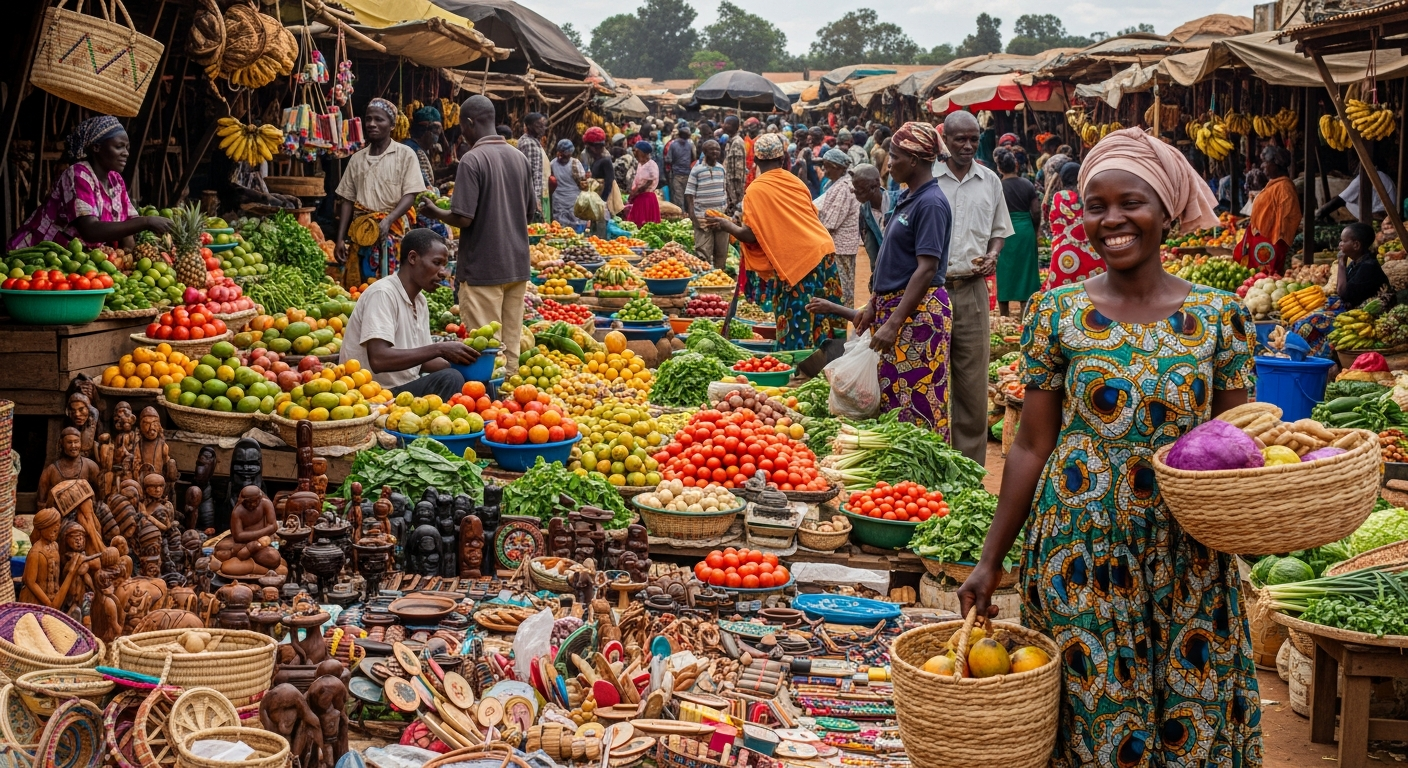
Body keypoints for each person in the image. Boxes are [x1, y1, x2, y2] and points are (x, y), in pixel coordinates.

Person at [958, 127, 1261, 768]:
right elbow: (1030, 447)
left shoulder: (1219, 316)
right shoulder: (1056, 312)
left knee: (1192, 713)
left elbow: (1244, 449)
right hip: (1080, 551)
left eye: (1132, 203)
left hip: (1188, 558)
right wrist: (991, 560)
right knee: (1096, 723)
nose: (1113, 220)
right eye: (1097, 206)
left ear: (1167, 213)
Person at [419, 94, 535, 379]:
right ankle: (512, 398)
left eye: (462, 127)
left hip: (483, 268)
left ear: (470, 123)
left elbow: (463, 217)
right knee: (511, 348)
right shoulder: (519, 157)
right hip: (517, 265)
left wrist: (436, 213)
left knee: (485, 349)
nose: (462, 133)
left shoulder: (472, 159)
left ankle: (487, 402)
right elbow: (530, 212)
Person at [702, 134, 845, 350]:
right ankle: (828, 360)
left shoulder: (756, 190)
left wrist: (725, 224)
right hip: (823, 249)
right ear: (782, 159)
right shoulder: (794, 181)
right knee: (824, 312)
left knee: (797, 317)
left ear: (757, 161)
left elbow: (751, 235)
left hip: (797, 260)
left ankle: (798, 364)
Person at [856, 123, 952, 432]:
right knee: (895, 399)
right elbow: (893, 260)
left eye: (894, 157)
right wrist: (874, 303)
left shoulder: (931, 203)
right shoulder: (908, 197)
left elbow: (926, 268)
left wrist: (894, 321)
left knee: (919, 402)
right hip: (898, 311)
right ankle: (900, 478)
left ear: (914, 160)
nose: (888, 164)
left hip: (918, 317)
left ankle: (924, 478)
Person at [935, 110, 1012, 466]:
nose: (967, 145)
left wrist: (993, 254)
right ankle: (933, 463)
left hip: (973, 290)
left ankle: (968, 469)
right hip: (930, 291)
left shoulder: (990, 181)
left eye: (973, 139)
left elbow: (999, 230)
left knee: (972, 384)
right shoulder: (930, 179)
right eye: (959, 139)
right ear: (946, 140)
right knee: (930, 380)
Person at [339, 229, 478, 399]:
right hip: (373, 394)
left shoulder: (420, 301)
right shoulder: (383, 293)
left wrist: (466, 362)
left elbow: (423, 361)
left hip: (404, 388)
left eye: (444, 265)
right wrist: (441, 348)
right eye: (437, 263)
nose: (443, 272)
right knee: (451, 378)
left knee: (472, 381)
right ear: (413, 258)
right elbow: (379, 360)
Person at [9, 115, 172, 250]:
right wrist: (146, 221)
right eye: (119, 147)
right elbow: (90, 230)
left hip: (71, 264)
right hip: (34, 258)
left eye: (127, 148)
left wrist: (128, 259)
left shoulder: (115, 180)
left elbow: (127, 229)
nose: (126, 153)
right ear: (96, 147)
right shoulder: (78, 174)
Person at [333, 99, 426, 279]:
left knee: (393, 286)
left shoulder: (405, 155)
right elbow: (347, 201)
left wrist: (389, 219)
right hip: (362, 233)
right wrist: (340, 239)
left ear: (391, 125)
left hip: (393, 232)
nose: (372, 124)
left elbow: (411, 195)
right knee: (361, 285)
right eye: (368, 119)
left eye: (379, 119)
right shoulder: (357, 159)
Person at [1234, 145, 1301, 275]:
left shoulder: (1284, 188)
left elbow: (1286, 221)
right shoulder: (1275, 185)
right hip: (1262, 243)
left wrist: (1275, 244)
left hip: (1271, 245)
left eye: (1266, 162)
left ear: (1276, 163)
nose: (1263, 166)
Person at [995, 147, 1042, 315]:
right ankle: (1026, 311)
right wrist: (1035, 230)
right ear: (1016, 166)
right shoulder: (1027, 184)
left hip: (1004, 231)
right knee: (1026, 269)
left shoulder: (997, 186)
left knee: (1004, 269)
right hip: (1024, 229)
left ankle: (1004, 313)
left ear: (999, 168)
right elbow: (1036, 211)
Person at [815, 148, 862, 308]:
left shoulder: (844, 187)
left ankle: (840, 322)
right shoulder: (836, 183)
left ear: (837, 167)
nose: (824, 170)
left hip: (841, 247)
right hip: (839, 245)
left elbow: (831, 222)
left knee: (840, 288)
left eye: (827, 166)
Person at [1045, 162, 1104, 288]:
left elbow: (1049, 217)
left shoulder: (1059, 197)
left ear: (1061, 179)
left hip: (1064, 256)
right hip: (1092, 253)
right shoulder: (1089, 195)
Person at [685, 139, 730, 269]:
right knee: (703, 252)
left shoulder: (721, 168)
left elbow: (724, 189)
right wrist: (692, 215)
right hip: (702, 216)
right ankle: (703, 278)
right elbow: (689, 193)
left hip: (720, 215)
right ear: (704, 152)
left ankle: (719, 277)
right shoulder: (697, 170)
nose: (715, 152)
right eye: (712, 149)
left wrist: (727, 209)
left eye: (717, 149)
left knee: (721, 252)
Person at [1318, 167, 1398, 220]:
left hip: (1380, 213)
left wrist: (1319, 214)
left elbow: (1340, 199)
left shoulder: (1366, 176)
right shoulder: (1380, 174)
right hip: (1386, 210)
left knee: (1345, 201)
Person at [851, 163, 887, 283]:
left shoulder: (898, 203)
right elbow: (871, 247)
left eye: (859, 190)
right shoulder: (865, 211)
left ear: (874, 186)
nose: (855, 193)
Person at [518, 112, 550, 223]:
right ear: (527, 126)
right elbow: (532, 174)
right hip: (530, 198)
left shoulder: (533, 142)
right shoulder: (529, 143)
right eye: (539, 125)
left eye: (543, 125)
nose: (542, 129)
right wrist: (535, 200)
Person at [583, 126, 615, 237]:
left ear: (594, 147)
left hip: (601, 204)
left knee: (600, 233)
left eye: (588, 146)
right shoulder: (596, 161)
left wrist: (601, 202)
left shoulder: (605, 161)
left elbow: (609, 183)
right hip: (595, 202)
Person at [404, 106, 446, 188]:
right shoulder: (414, 151)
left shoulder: (420, 149)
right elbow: (424, 185)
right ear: (424, 131)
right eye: (435, 131)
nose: (436, 137)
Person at [549, 139, 587, 229]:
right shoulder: (575, 163)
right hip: (568, 202)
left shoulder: (552, 164)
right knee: (573, 228)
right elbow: (583, 181)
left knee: (561, 228)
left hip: (563, 202)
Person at [627, 141, 662, 226]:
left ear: (641, 152)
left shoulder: (651, 165)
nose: (634, 152)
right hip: (639, 197)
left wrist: (636, 193)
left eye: (636, 150)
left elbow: (649, 182)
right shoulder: (640, 164)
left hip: (646, 198)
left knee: (644, 223)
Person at [722, 116, 747, 214]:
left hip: (735, 186)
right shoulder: (730, 141)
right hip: (729, 183)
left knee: (736, 210)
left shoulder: (737, 142)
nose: (724, 126)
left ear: (734, 126)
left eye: (727, 124)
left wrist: (736, 191)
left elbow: (738, 170)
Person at [665, 126, 694, 206]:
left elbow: (668, 159)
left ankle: (681, 214)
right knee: (688, 196)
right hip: (688, 174)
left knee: (678, 197)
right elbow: (694, 157)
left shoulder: (673, 144)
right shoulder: (690, 145)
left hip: (676, 174)